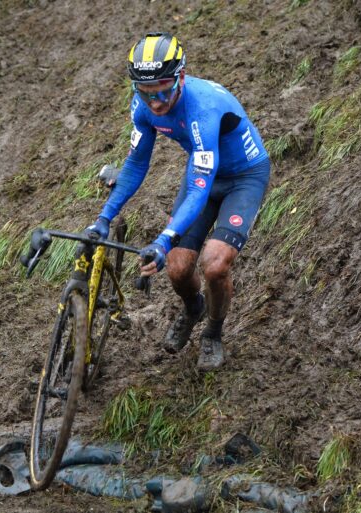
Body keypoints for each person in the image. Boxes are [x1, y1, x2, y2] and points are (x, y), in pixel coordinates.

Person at [85, 32, 270, 370]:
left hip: (243, 178)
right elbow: (137, 163)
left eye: (164, 91)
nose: (155, 103)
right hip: (204, 174)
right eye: (146, 93)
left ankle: (213, 332)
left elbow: (199, 189)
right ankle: (193, 308)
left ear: (182, 77)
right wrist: (104, 217)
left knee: (214, 264)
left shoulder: (203, 108)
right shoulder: (143, 104)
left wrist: (164, 239)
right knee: (178, 269)